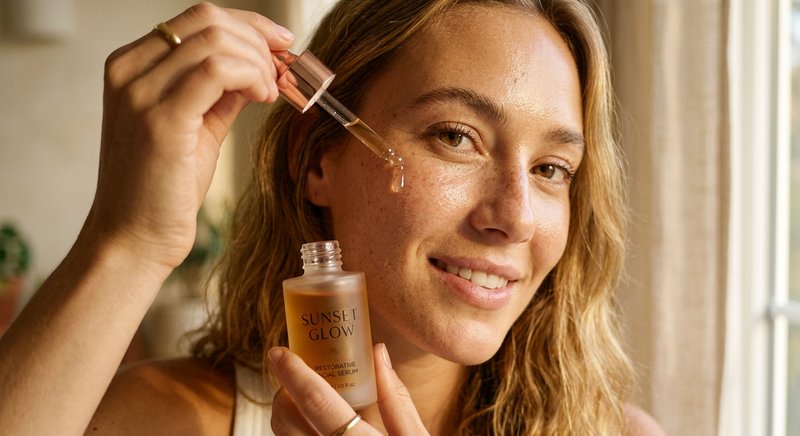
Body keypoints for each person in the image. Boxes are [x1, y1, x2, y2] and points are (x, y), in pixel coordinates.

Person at [0, 0, 666, 434]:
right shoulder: (168, 420)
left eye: (552, 169)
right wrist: (131, 241)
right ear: (317, 158)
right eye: (455, 136)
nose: (515, 216)